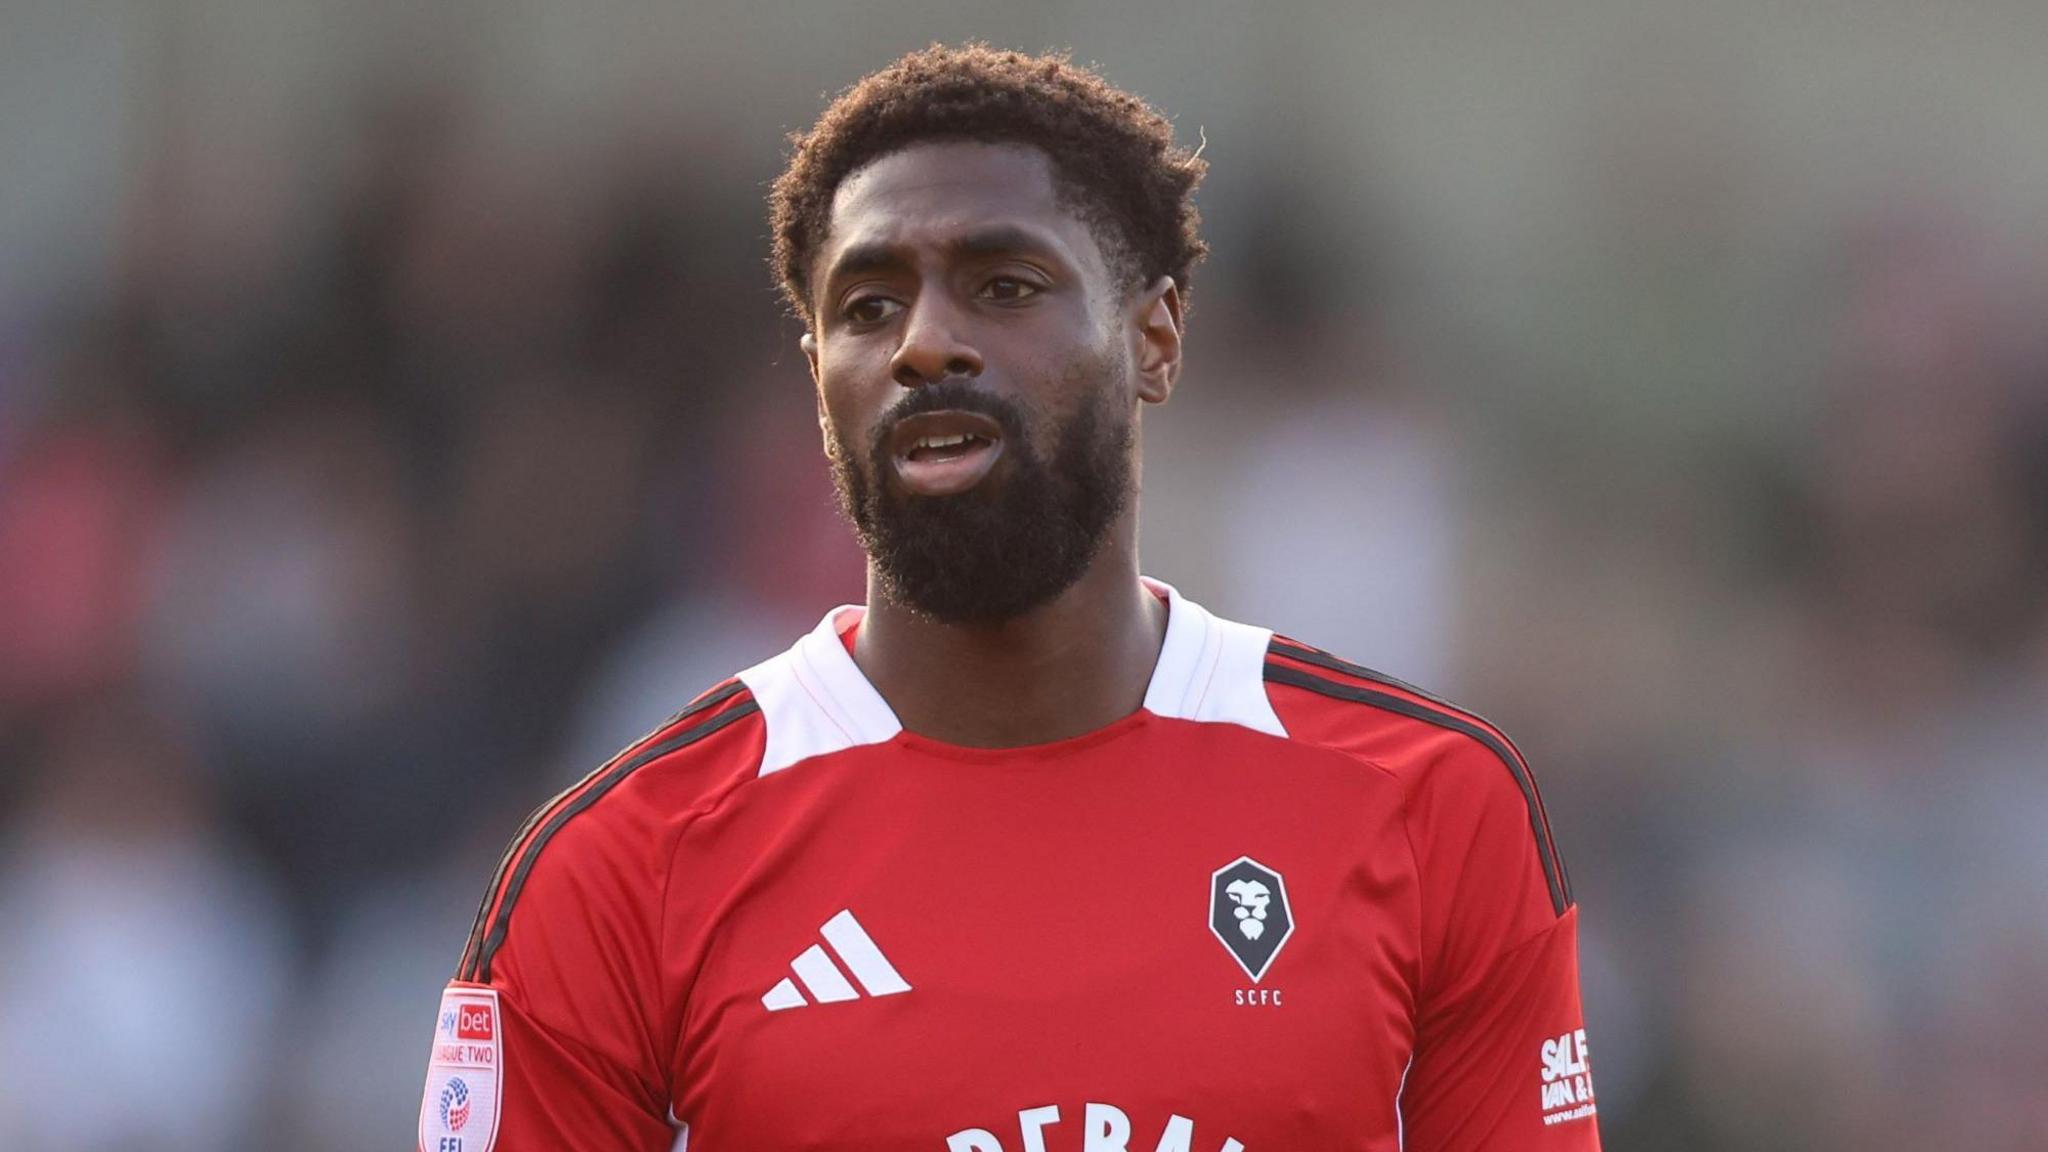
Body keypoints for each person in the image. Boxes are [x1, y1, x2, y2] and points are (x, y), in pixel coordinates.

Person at [418, 43, 1600, 1152]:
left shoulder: (1428, 804)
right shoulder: (622, 865)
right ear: (817, 381)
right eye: (868, 306)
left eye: (1003, 285)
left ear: (1154, 338)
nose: (926, 343)